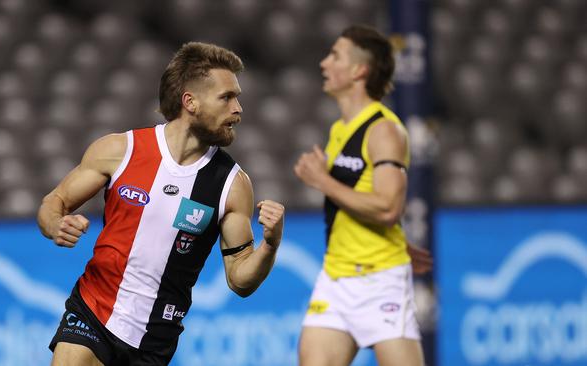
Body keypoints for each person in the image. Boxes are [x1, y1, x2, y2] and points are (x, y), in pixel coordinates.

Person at [37, 42, 285, 366]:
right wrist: (55, 223)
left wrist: (270, 243)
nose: (238, 109)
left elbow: (240, 280)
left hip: (155, 340)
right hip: (92, 309)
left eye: (237, 97)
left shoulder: (232, 185)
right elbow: (53, 202)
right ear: (190, 102)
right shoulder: (119, 150)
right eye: (227, 97)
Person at [294, 24, 430, 366]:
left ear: (359, 70)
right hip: (336, 279)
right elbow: (363, 200)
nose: (324, 63)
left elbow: (387, 208)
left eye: (335, 55)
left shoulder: (385, 130)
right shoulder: (339, 130)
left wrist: (323, 181)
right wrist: (397, 239)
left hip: (379, 280)